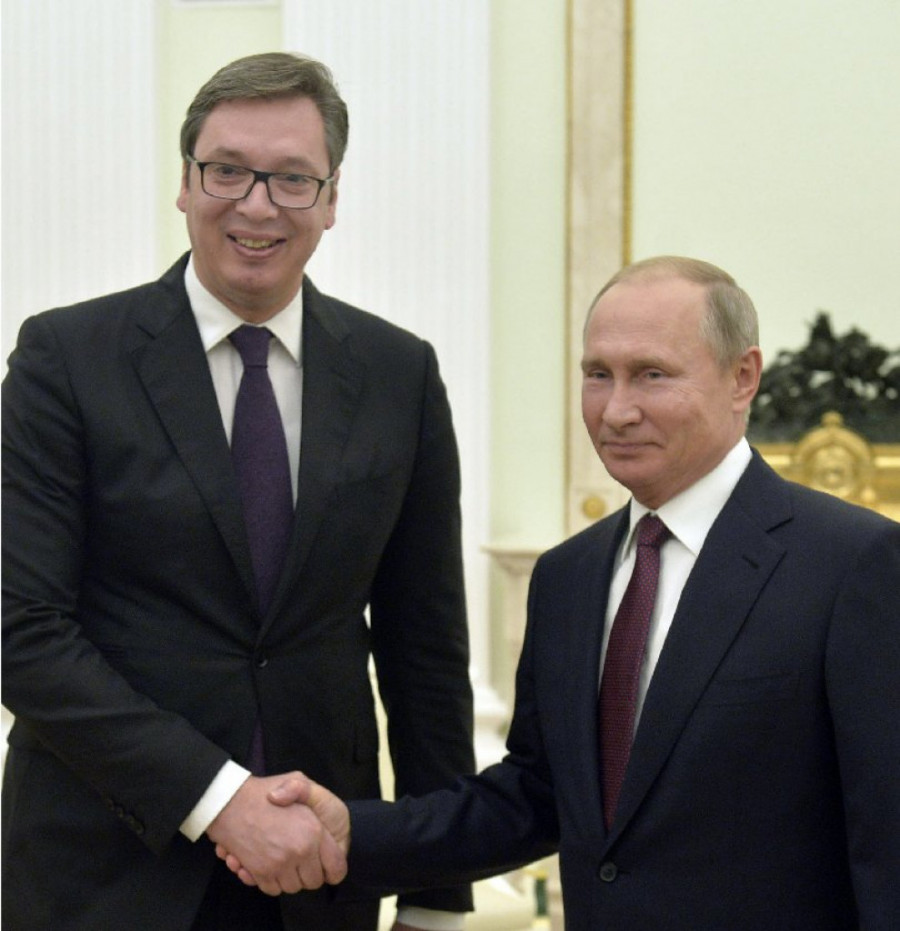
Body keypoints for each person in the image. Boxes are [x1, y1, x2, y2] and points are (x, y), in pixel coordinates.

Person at [229, 256, 900, 930]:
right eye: (598, 374)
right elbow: (536, 797)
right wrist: (354, 831)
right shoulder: (567, 578)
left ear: (743, 377)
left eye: (652, 374)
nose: (617, 410)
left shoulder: (852, 564)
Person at [1, 52, 475, 931]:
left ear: (331, 199)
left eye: (292, 178)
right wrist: (218, 797)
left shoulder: (399, 374)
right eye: (227, 170)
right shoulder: (66, 360)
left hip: (319, 875)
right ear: (185, 183)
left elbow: (426, 649)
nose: (256, 205)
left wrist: (435, 897)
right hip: (103, 873)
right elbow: (20, 629)